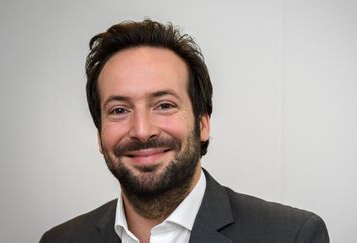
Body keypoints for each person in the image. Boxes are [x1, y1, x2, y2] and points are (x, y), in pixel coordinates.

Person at [40, 19, 329, 243]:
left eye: (164, 105)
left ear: (203, 123)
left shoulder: (291, 236)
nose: (142, 131)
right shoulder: (61, 240)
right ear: (99, 135)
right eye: (119, 110)